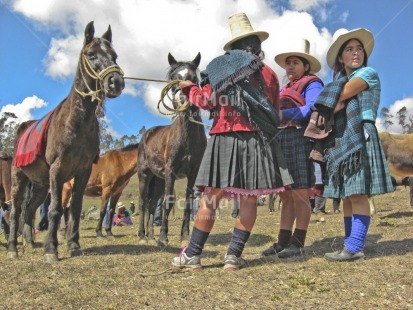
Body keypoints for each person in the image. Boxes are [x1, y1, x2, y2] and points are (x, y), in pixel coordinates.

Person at [171, 12, 292, 271]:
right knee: (248, 200)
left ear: (233, 46)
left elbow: (206, 101)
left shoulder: (219, 67)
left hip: (225, 137)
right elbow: (276, 113)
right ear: (258, 46)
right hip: (257, 140)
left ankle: (192, 254)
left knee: (210, 199)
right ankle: (233, 257)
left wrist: (188, 88)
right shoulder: (269, 73)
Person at [312, 28, 393, 261]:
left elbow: (338, 99)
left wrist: (329, 103)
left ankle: (355, 246)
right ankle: (350, 245)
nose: (356, 53)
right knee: (347, 194)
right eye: (349, 49)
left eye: (359, 49)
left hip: (361, 133)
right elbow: (331, 103)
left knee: (357, 193)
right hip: (343, 135)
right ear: (341, 57)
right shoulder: (340, 81)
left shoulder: (367, 74)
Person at [261, 38, 324, 258]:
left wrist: (283, 114)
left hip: (300, 139)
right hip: (282, 140)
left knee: (299, 194)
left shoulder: (312, 83)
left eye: (295, 62)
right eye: (288, 63)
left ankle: (298, 243)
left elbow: (312, 108)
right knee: (286, 195)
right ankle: (282, 242)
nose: (290, 66)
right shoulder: (283, 88)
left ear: (306, 66)